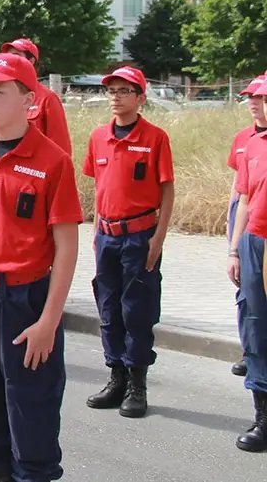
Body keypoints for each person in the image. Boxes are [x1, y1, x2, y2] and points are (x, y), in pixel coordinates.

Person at [0, 54, 82, 482]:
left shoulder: (52, 160)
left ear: (29, 99)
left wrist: (49, 320)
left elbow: (67, 247)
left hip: (24, 300)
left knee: (30, 405)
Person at [82, 66, 174, 419]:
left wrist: (158, 238)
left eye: (124, 91)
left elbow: (167, 190)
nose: (116, 97)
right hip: (107, 236)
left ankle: (137, 383)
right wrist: (94, 231)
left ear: (140, 97)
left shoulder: (155, 138)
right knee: (108, 308)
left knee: (137, 310)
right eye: (111, 91)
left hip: (139, 238)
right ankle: (116, 376)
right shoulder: (98, 137)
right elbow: (99, 186)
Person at [229, 76, 267, 453]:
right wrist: (235, 250)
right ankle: (262, 415)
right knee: (256, 326)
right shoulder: (252, 144)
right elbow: (243, 197)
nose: (259, 103)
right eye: (256, 98)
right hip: (256, 240)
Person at [1, 39, 72, 156]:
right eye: (7, 57)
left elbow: (61, 146)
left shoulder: (47, 98)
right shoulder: (1, 96)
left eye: (16, 56)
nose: (10, 61)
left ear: (31, 61)